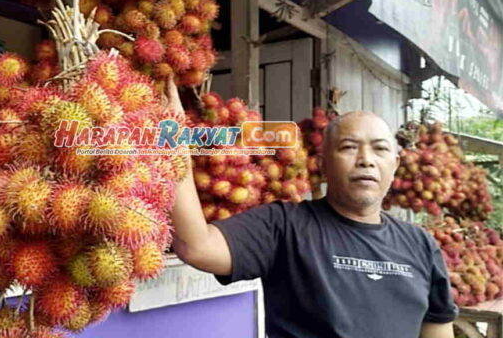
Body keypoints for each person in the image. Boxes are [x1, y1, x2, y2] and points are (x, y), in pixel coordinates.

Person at [165, 77, 457, 338]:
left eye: (380, 149)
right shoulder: (284, 224)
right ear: (323, 164)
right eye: (349, 147)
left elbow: (437, 330)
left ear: (394, 165)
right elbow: (197, 246)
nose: (366, 159)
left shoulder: (421, 245)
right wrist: (172, 136)